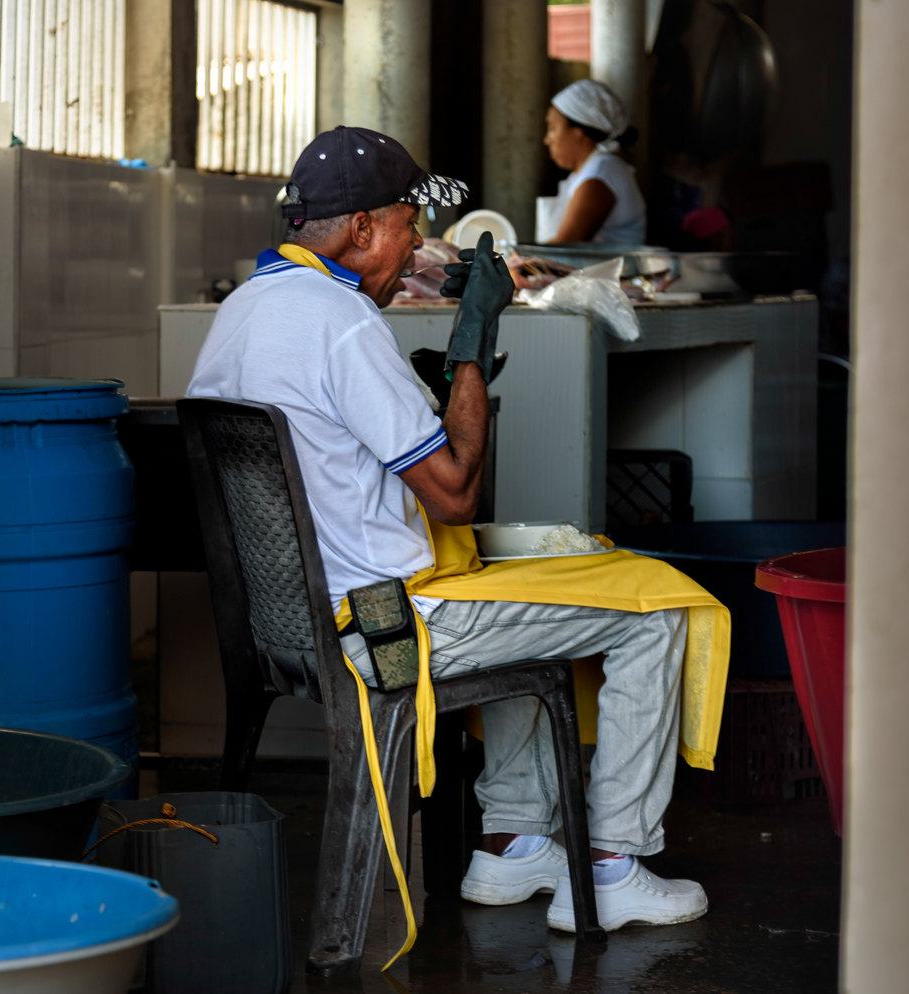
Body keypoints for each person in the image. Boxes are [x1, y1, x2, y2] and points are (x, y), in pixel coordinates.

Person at [187, 125, 707, 934]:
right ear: (361, 229)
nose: (417, 241)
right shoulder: (343, 322)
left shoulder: (247, 308)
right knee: (659, 615)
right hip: (390, 628)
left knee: (519, 599)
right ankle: (608, 862)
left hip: (299, 624)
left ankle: (514, 843)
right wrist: (474, 335)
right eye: (406, 223)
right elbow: (456, 494)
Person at [542, 79, 648, 245]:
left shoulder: (600, 175)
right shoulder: (587, 171)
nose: (547, 140)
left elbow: (565, 246)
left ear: (579, 132)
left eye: (553, 128)